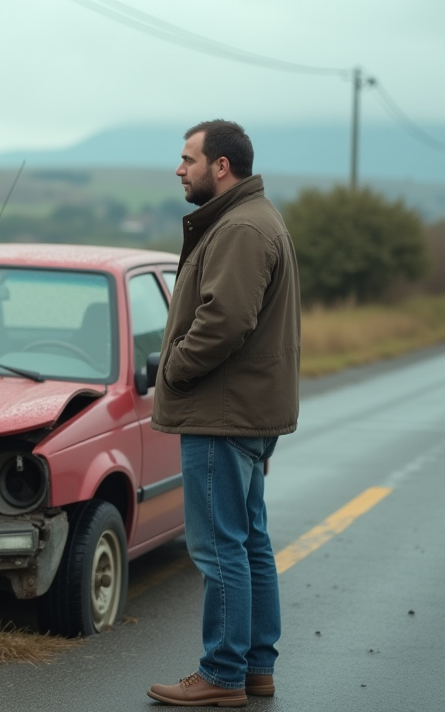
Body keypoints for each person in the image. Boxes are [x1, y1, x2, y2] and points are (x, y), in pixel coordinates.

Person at [147, 120, 300, 707]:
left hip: (221, 411)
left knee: (218, 547)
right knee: (248, 540)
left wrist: (174, 367)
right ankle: (255, 667)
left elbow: (225, 320)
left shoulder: (238, 227)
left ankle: (222, 673)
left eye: (188, 159)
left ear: (221, 167)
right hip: (244, 409)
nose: (179, 169)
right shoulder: (254, 218)